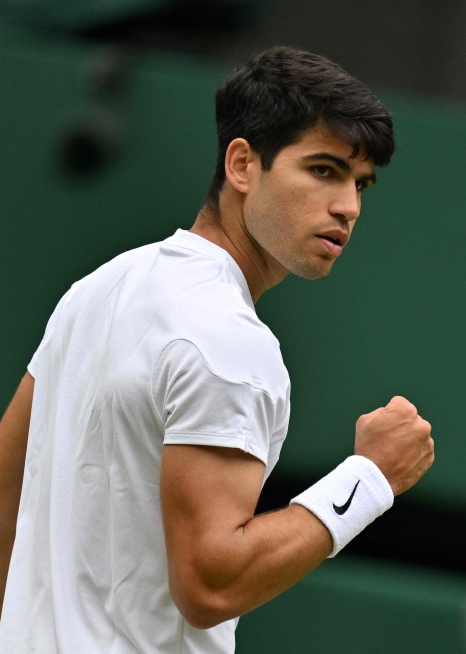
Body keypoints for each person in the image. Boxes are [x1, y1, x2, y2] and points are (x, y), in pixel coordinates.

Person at [0, 46, 435, 653]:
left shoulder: (97, 288)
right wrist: (370, 478)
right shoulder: (229, 342)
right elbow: (210, 583)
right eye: (323, 170)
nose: (348, 207)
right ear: (242, 164)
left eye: (361, 183)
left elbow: (6, 483)